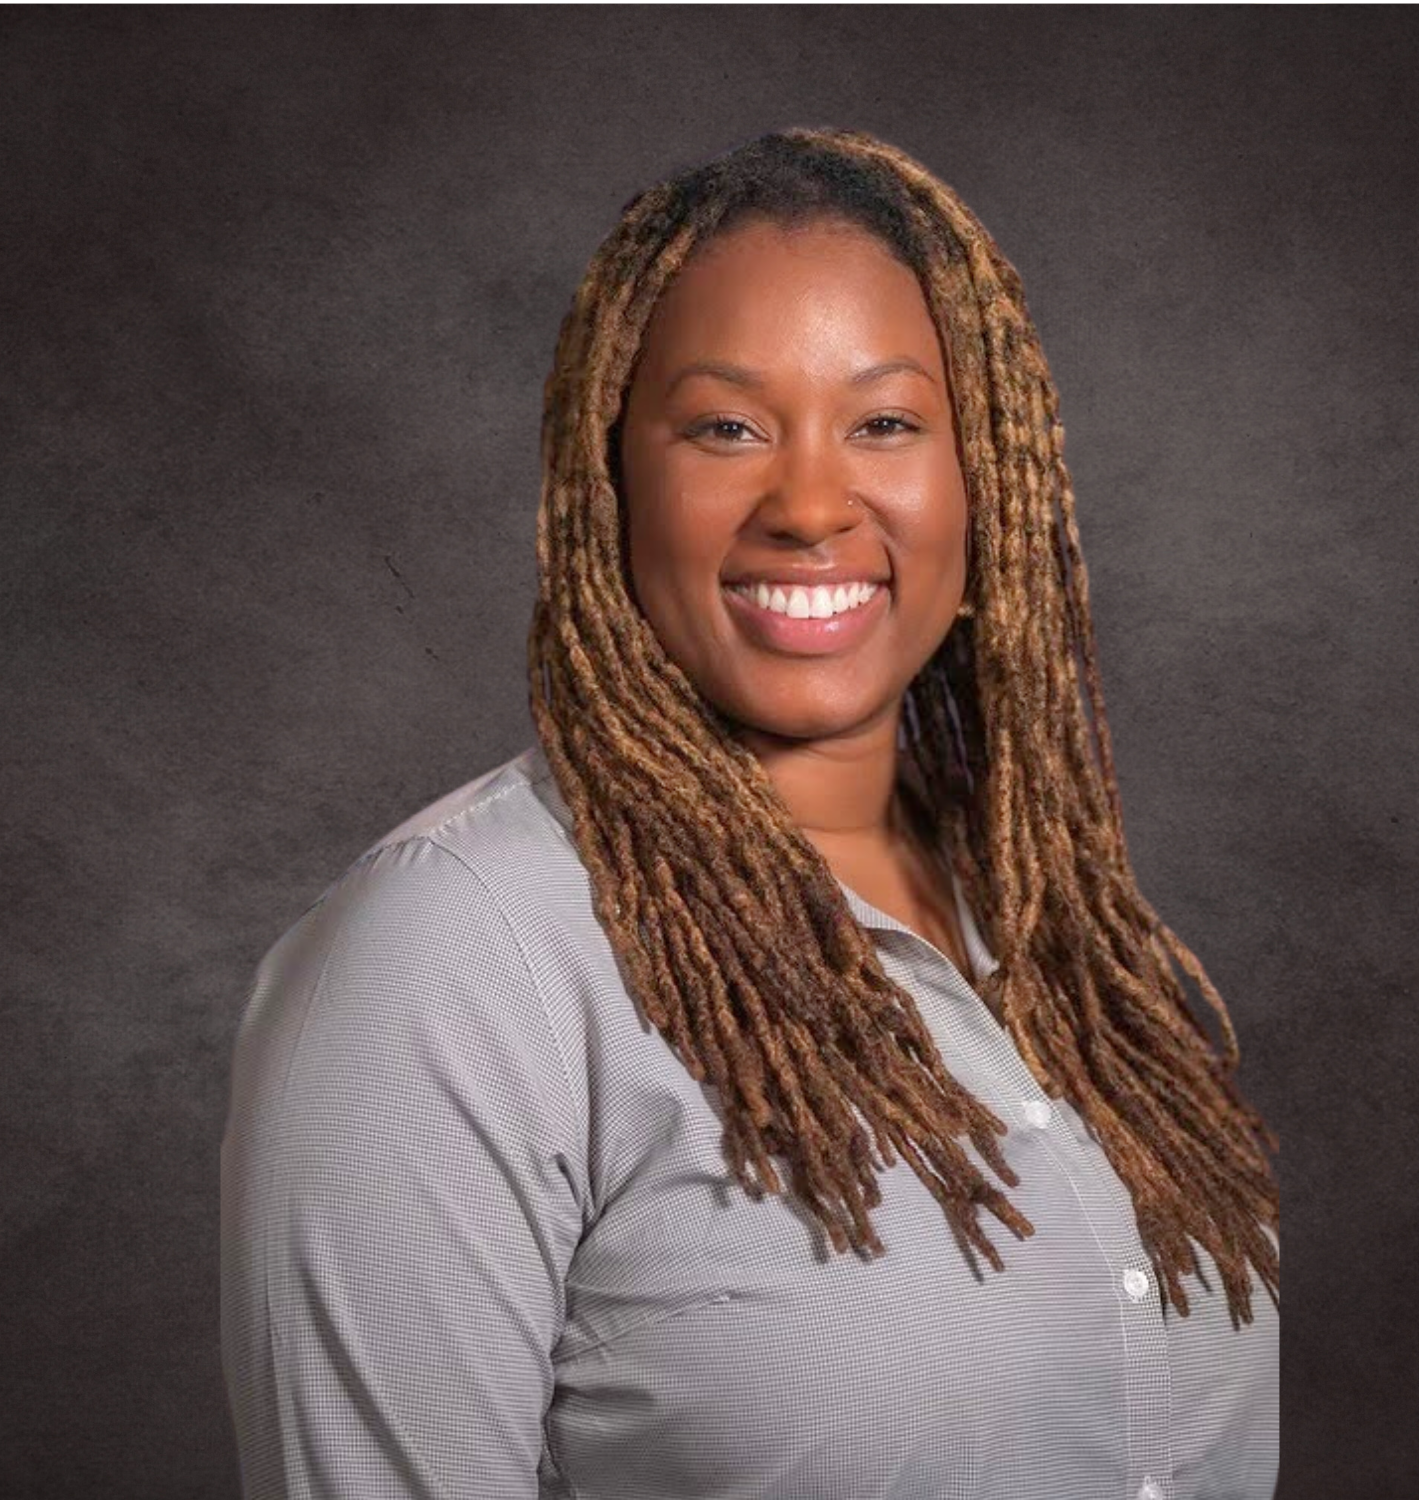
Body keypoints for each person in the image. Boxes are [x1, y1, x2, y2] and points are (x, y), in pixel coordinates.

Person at [221, 127, 1280, 1500]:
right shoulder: (452, 958)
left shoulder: (1060, 937)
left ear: (989, 480)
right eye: (726, 427)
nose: (811, 504)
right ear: (610, 483)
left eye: (886, 423)